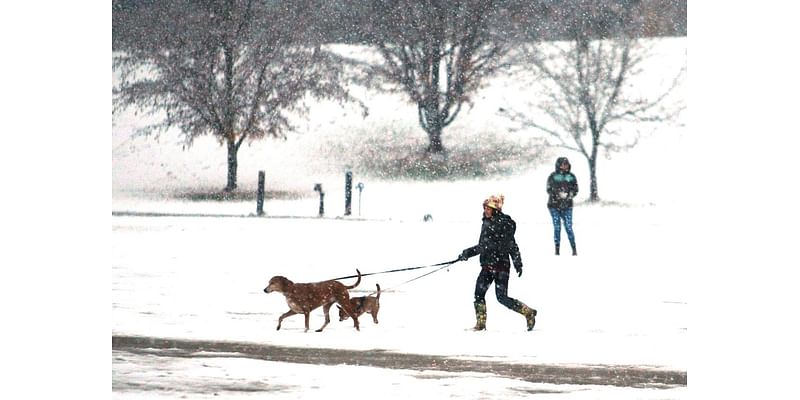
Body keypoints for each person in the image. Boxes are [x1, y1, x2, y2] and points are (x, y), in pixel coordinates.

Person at [457, 194, 537, 331]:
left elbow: (512, 245)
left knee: (502, 297)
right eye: (485, 207)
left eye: (488, 208)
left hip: (501, 266)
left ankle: (528, 312)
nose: (485, 210)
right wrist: (467, 253)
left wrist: (518, 263)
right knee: (478, 294)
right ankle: (480, 324)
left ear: (495, 210)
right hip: (487, 265)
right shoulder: (486, 223)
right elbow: (483, 246)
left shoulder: (503, 225)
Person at [546, 157, 579, 256]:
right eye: (563, 164)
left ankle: (574, 249)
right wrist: (557, 194)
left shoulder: (571, 176)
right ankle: (557, 249)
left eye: (566, 164)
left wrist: (569, 195)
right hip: (554, 206)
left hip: (567, 206)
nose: (565, 166)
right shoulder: (553, 176)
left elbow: (575, 189)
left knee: (568, 227)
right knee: (557, 227)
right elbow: (549, 189)